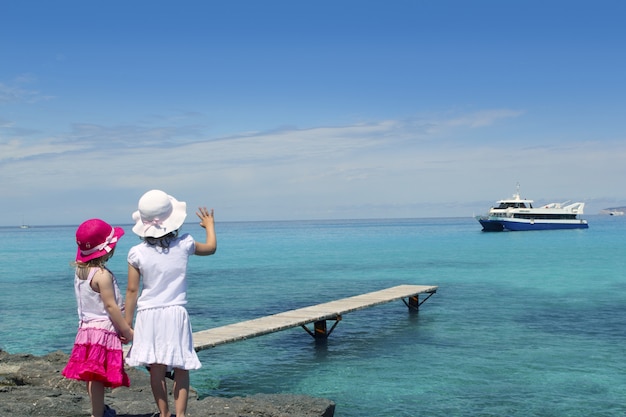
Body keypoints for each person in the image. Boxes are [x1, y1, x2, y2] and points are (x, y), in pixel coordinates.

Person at [124, 189, 217, 417]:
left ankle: (164, 414)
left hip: (148, 314)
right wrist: (209, 226)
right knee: (181, 366)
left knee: (155, 369)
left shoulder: (137, 253)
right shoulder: (185, 244)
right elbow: (211, 248)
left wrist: (127, 323)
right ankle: (181, 414)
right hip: (175, 313)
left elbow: (132, 290)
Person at [62, 219, 133, 417]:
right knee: (98, 378)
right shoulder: (102, 275)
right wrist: (126, 330)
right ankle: (97, 414)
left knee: (92, 376)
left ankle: (98, 409)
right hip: (103, 332)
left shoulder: (80, 272)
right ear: (107, 249)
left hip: (86, 330)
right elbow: (110, 307)